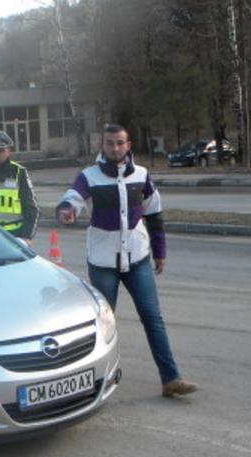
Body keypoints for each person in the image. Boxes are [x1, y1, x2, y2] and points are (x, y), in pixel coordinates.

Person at [57, 124, 199, 399]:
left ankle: (171, 379)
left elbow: (154, 214)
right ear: (103, 146)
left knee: (152, 317)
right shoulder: (89, 177)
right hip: (103, 262)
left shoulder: (142, 175)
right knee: (102, 323)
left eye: (120, 143)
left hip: (138, 258)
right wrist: (66, 211)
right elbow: (72, 199)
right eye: (110, 143)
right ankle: (91, 384)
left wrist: (160, 251)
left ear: (128, 144)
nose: (115, 148)